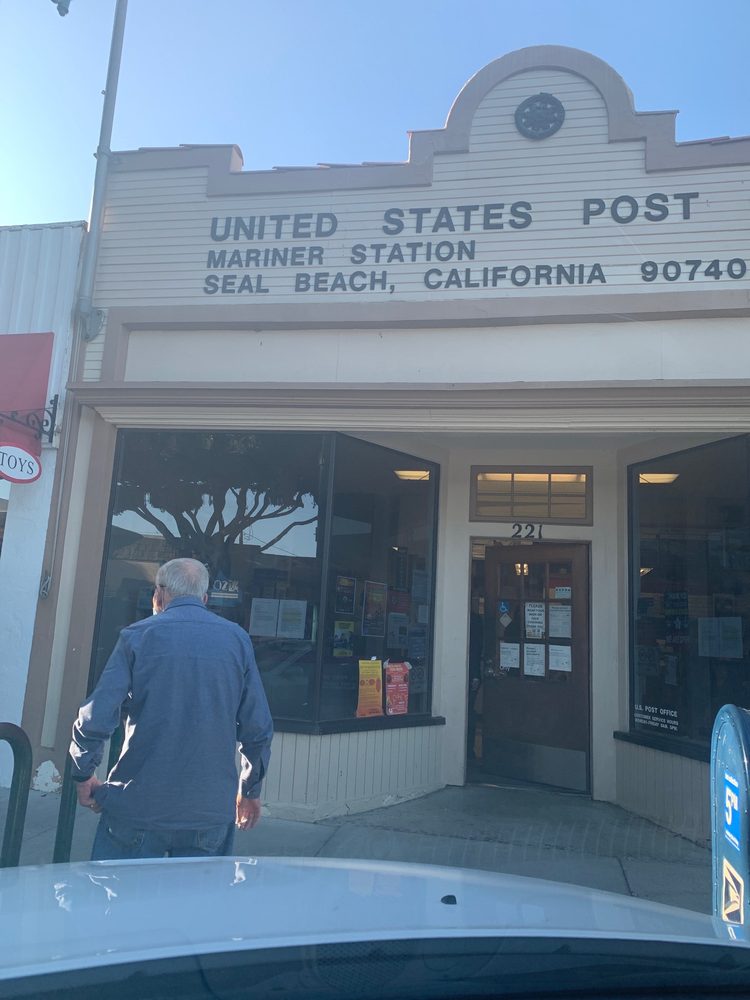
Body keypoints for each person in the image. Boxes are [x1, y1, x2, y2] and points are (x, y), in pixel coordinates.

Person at [69, 557, 273, 861]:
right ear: (205, 598)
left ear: (159, 594)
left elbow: (97, 715)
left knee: (122, 893)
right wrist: (250, 789)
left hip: (137, 805)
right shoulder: (237, 640)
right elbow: (257, 727)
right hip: (208, 811)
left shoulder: (137, 636)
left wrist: (83, 773)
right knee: (197, 895)